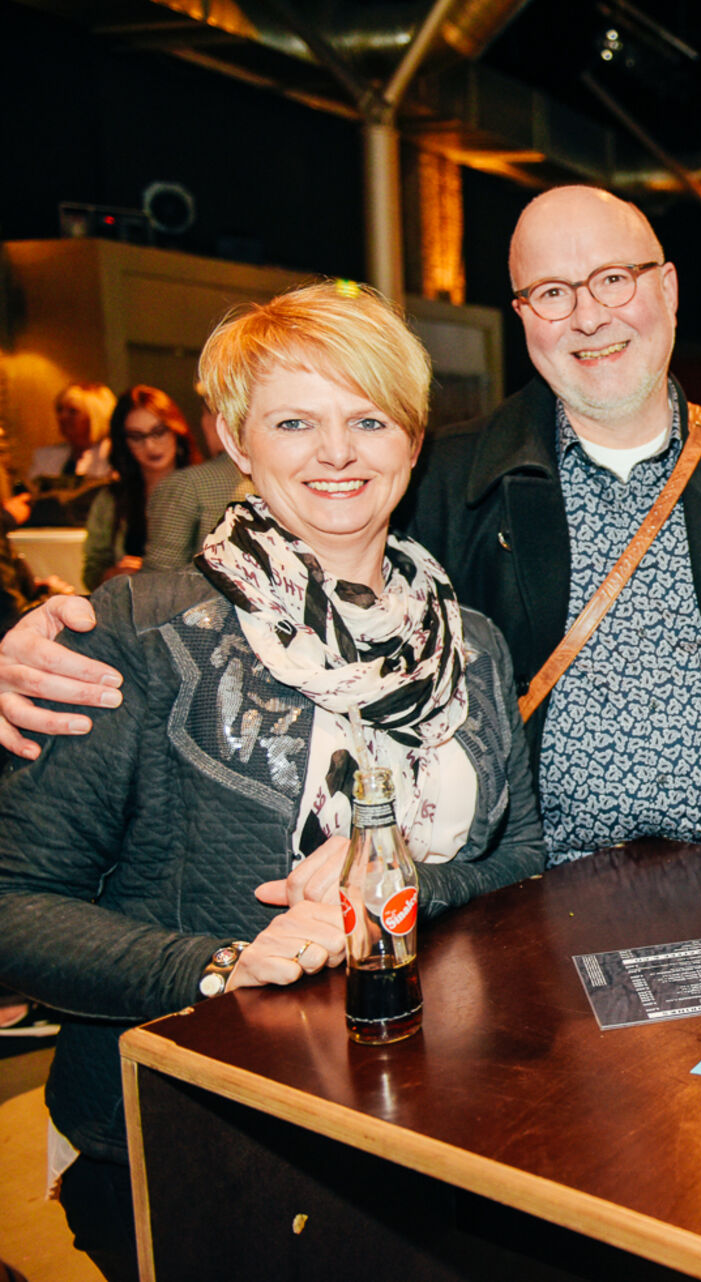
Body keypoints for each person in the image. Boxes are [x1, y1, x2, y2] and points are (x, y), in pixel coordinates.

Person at [0, 186, 701, 867]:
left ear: (668, 289)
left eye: (614, 279)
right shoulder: (445, 472)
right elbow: (295, 569)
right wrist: (40, 647)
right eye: (552, 292)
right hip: (525, 898)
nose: (587, 317)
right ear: (522, 314)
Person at [0, 281, 546, 1282]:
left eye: (369, 419)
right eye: (294, 422)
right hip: (202, 1141)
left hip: (425, 1128)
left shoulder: (471, 643)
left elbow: (522, 857)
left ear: (412, 441)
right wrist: (221, 967)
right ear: (235, 441)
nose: (337, 452)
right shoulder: (137, 634)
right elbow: (14, 906)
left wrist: (394, 880)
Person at [81, 386, 200, 589]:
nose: (150, 446)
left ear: (176, 431)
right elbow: (92, 571)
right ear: (123, 442)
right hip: (131, 603)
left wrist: (156, 572)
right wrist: (113, 574)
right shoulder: (111, 499)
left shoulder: (204, 489)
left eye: (158, 432)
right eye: (137, 437)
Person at [30, 382, 116, 482]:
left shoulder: (112, 457)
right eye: (59, 410)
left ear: (95, 418)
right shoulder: (45, 457)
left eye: (73, 411)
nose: (62, 417)